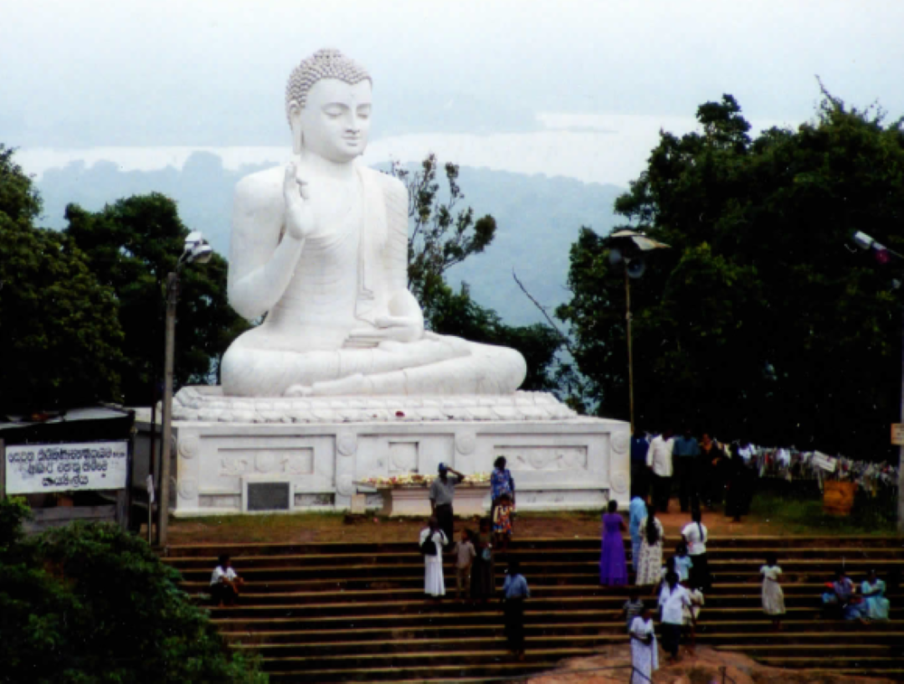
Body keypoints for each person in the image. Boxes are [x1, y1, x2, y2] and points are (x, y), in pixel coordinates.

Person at [220, 49, 527, 398]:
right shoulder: (265, 190)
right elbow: (247, 305)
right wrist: (294, 237)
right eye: (336, 113)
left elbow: (395, 291)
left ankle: (354, 387)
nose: (353, 125)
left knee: (509, 362)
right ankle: (375, 384)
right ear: (296, 115)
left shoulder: (388, 191)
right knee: (242, 370)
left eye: (363, 113)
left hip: (383, 348)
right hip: (295, 351)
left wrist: (412, 322)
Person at [658, 571, 693, 664]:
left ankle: (673, 656)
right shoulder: (664, 590)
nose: (672, 582)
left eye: (673, 580)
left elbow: (688, 603)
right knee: (665, 641)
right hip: (665, 618)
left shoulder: (682, 590)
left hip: (676, 618)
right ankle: (670, 653)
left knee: (674, 638)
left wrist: (692, 616)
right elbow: (661, 604)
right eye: (670, 580)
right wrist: (660, 616)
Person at [430, 463, 464, 549]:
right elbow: (432, 498)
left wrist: (452, 470)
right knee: (441, 527)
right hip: (440, 507)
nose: (444, 473)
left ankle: (449, 544)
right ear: (439, 472)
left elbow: (462, 477)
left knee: (450, 526)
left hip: (448, 506)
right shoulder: (435, 482)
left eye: (445, 471)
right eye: (442, 471)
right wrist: (433, 511)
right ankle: (442, 544)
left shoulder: (450, 480)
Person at [501, 559, 530, 661]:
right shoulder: (507, 578)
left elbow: (526, 593)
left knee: (518, 628)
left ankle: (521, 651)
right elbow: (504, 590)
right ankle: (512, 647)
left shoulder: (521, 579)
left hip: (517, 603)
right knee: (509, 627)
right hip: (509, 603)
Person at [599, 500, 628, 586]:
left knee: (608, 558)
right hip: (616, 538)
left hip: (607, 539)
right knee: (616, 559)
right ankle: (616, 578)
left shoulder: (604, 516)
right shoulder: (618, 517)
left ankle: (607, 577)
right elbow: (624, 528)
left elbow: (604, 526)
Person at [635, 503, 664, 588]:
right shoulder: (657, 522)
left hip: (645, 545)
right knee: (653, 564)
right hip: (655, 546)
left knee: (644, 563)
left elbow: (640, 533)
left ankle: (643, 582)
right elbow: (661, 534)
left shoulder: (643, 521)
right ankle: (653, 582)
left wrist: (645, 538)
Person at [682, 508, 711, 591]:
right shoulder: (704, 527)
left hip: (693, 550)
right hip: (701, 549)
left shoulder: (690, 526)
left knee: (695, 570)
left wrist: (687, 542)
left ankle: (695, 585)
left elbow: (684, 534)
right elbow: (705, 540)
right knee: (701, 569)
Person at [628, 606, 659, 684]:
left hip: (646, 645)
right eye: (647, 614)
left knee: (646, 665)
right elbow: (631, 633)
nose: (649, 616)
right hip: (637, 644)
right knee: (638, 664)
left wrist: (649, 640)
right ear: (642, 614)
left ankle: (645, 681)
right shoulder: (636, 620)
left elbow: (650, 633)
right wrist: (641, 639)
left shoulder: (650, 621)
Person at [647, 429, 675, 513]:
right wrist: (649, 463)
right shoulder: (655, 441)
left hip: (668, 469)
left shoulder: (671, 442)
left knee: (666, 491)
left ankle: (664, 507)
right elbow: (650, 453)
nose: (670, 434)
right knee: (657, 490)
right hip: (657, 469)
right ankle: (655, 506)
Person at [672, 428, 700, 512]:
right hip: (682, 463)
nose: (688, 433)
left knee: (692, 487)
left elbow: (696, 454)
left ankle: (693, 506)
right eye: (686, 432)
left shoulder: (694, 441)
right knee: (682, 487)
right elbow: (675, 454)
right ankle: (683, 506)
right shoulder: (678, 441)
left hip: (691, 463)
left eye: (689, 432)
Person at [420, 516, 448, 600]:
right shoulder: (425, 532)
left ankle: (438, 592)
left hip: (437, 557)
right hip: (430, 557)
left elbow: (446, 542)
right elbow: (422, 544)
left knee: (437, 574)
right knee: (430, 574)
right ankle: (430, 592)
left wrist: (440, 536)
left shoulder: (440, 532)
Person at [470, 519, 495, 604]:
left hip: (488, 558)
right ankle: (479, 595)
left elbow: (495, 543)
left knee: (488, 577)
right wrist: (480, 546)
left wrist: (489, 545)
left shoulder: (491, 534)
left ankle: (488, 595)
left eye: (487, 525)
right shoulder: (476, 535)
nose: (486, 527)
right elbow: (472, 544)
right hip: (479, 559)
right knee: (480, 577)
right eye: (484, 525)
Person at [699, 433, 725, 510]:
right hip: (703, 470)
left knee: (711, 487)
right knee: (703, 487)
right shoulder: (700, 447)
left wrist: (716, 459)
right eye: (704, 438)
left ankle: (710, 503)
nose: (705, 440)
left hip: (712, 470)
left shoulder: (714, 447)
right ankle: (705, 502)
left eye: (707, 438)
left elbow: (721, 456)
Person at [760, 553, 786, 630]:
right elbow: (760, 577)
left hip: (774, 587)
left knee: (776, 603)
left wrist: (772, 579)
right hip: (767, 588)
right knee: (769, 604)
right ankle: (773, 623)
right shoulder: (764, 568)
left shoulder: (777, 569)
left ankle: (778, 623)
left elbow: (781, 579)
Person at [453, 529, 476, 602]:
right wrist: (454, 562)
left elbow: (473, 556)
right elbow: (455, 553)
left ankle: (468, 596)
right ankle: (458, 596)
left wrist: (469, 564)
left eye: (464, 534)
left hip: (467, 567)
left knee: (467, 582)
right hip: (459, 565)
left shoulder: (470, 545)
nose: (462, 535)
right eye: (462, 534)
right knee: (458, 582)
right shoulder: (458, 544)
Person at [490, 456, 515, 522]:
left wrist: (513, 496)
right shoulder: (494, 472)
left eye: (504, 463)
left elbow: (511, 483)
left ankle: (508, 527)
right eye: (502, 463)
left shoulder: (507, 472)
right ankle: (494, 526)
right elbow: (493, 485)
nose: (503, 464)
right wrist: (494, 497)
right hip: (497, 494)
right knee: (496, 511)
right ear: (498, 463)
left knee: (508, 510)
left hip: (507, 494)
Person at [628, 494, 647, 573]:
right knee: (639, 549)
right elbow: (641, 519)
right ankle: (637, 568)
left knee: (635, 547)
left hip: (633, 527)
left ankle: (635, 566)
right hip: (638, 528)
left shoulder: (633, 502)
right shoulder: (641, 504)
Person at [630, 429, 650, 500]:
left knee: (642, 482)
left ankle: (642, 497)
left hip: (642, 464)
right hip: (633, 463)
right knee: (633, 482)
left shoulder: (644, 442)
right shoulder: (630, 441)